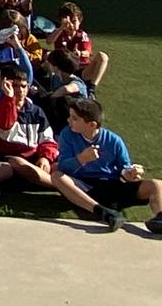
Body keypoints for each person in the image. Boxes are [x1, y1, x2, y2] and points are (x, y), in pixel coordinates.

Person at [51, 97, 162, 233]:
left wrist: (130, 173)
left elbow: (124, 168)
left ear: (92, 125)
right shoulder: (67, 135)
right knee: (57, 176)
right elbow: (63, 167)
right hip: (82, 186)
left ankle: (160, 219)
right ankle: (103, 212)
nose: (69, 121)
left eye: (74, 118)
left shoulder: (113, 140)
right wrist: (81, 159)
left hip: (111, 186)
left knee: (156, 184)